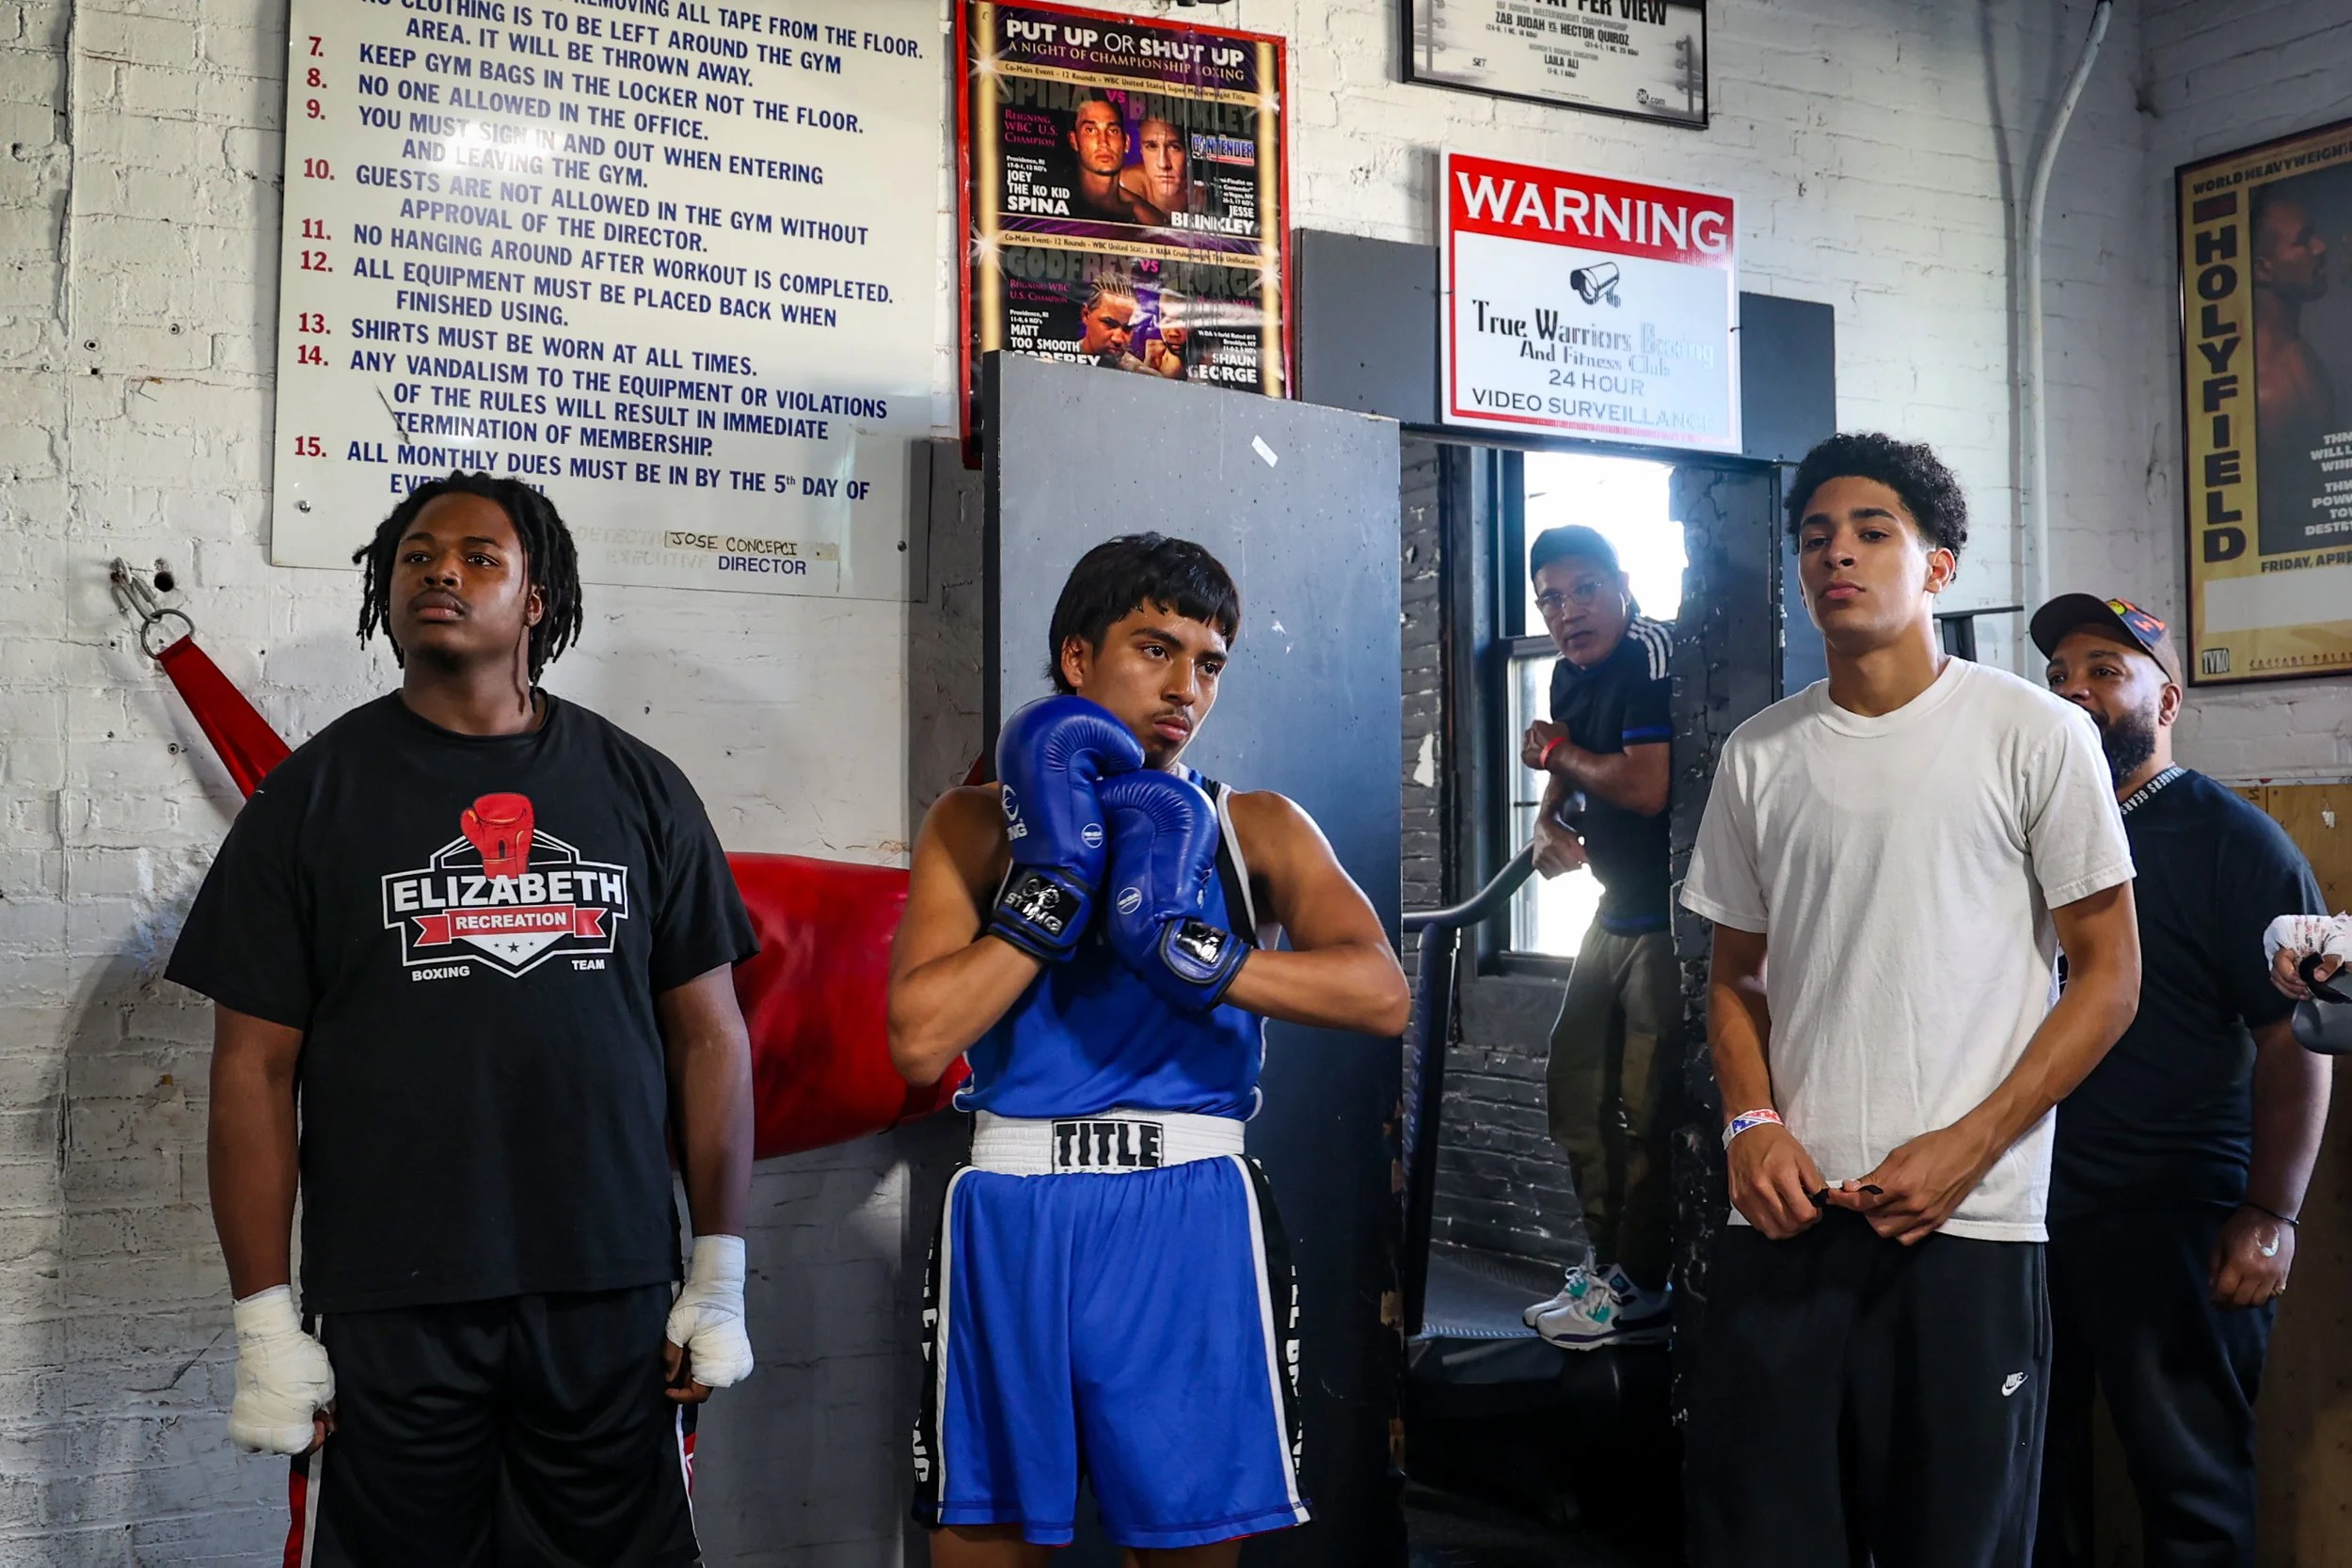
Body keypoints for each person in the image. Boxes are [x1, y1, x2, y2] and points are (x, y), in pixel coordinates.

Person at [167, 473, 759, 1566]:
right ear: (386, 592)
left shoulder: (643, 787)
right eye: (417, 555)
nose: (442, 569)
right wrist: (264, 1318)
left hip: (609, 1287)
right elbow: (249, 1070)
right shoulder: (307, 800)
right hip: (393, 1298)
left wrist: (717, 1270)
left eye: (480, 555)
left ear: (537, 598)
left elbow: (711, 1037)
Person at [887, 533, 1410, 1565]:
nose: (1184, 686)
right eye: (1154, 648)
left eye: (1208, 662)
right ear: (1077, 658)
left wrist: (1197, 954)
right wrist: (1047, 902)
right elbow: (918, 1039)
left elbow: (1380, 991)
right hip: (1012, 1206)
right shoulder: (972, 826)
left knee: (1184, 1550)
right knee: (980, 1545)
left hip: (1189, 1209)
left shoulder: (1251, 825)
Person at [1677, 433, 2143, 1568]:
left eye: (1871, 532)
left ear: (1937, 566)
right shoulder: (1759, 754)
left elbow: (2110, 975)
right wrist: (1750, 1122)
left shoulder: (2037, 733)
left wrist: (1969, 1145)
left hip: (1967, 1226)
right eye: (1815, 537)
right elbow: (1732, 976)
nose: (1837, 554)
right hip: (1786, 1227)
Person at [2029, 593, 2332, 1568]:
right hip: (2024, 1208)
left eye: (2104, 672)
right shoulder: (2023, 833)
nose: (2075, 693)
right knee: (2029, 1476)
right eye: (2059, 676)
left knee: (2189, 1489)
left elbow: (2298, 1037)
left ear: (2166, 702)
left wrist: (2270, 1212)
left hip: (2173, 1217)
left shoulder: (2232, 842)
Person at [1511, 525, 1678, 1350]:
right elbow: (1557, 771)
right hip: (1611, 912)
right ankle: (1606, 1266)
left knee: (1650, 1108)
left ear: (1621, 583)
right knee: (1574, 1090)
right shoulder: (1564, 672)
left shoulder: (1650, 651)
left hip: (1671, 921)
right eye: (1548, 598)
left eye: (1581, 590)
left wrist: (1562, 753)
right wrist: (1545, 825)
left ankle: (1644, 1283)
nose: (1565, 611)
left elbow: (1646, 788)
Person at [2251, 185, 2337, 550]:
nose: (2320, 247)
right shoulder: (2267, 390)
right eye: (2303, 241)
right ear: (2262, 269)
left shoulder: (2298, 355)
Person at [1067, 90, 1164, 227]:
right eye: (1090, 130)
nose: (1104, 142)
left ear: (1127, 142)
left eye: (1113, 131)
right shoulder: (1056, 203)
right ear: (1074, 140)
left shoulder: (1147, 218)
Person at [1075, 279, 1185, 380]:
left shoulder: (1144, 376)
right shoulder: (1062, 358)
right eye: (1109, 324)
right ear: (1086, 315)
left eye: (1127, 328)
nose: (1118, 339)